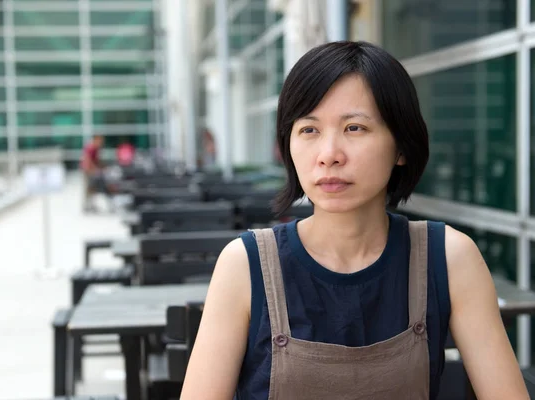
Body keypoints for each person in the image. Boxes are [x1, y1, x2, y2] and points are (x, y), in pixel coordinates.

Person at [181, 41, 529, 399]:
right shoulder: (244, 264)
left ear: (402, 147)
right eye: (309, 130)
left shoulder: (450, 258)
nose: (329, 155)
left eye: (355, 128)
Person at [81, 134, 110, 212]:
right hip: (88, 171)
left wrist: (103, 167)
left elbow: (97, 160)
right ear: (96, 139)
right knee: (89, 188)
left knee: (93, 188)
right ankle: (87, 206)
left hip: (91, 170)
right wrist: (94, 169)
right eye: (100, 140)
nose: (101, 142)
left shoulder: (96, 148)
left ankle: (91, 205)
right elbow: (88, 160)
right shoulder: (91, 147)